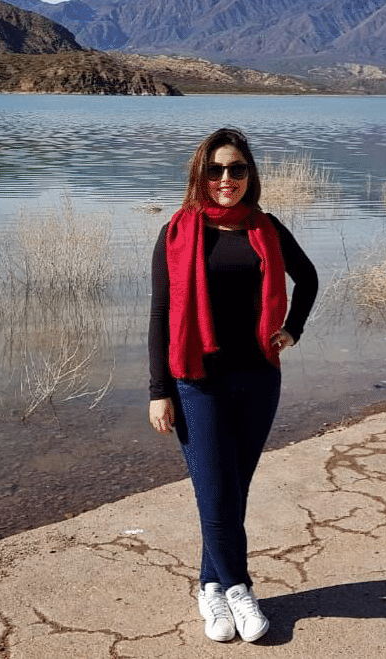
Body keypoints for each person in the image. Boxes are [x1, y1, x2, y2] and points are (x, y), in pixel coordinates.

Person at [147, 127, 318, 643]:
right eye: (217, 169)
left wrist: (292, 330)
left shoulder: (264, 227)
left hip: (259, 378)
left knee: (228, 493)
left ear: (251, 175)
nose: (227, 179)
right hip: (197, 380)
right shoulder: (177, 232)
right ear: (201, 173)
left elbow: (307, 278)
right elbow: (160, 315)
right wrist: (158, 390)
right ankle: (239, 587)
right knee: (216, 490)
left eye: (237, 169)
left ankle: (209, 586)